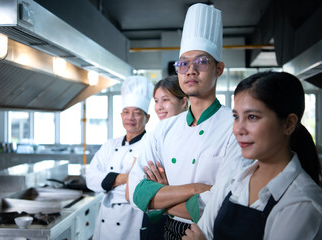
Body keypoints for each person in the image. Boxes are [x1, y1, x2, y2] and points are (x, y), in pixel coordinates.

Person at [128, 3, 249, 239]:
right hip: (166, 231)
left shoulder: (236, 127)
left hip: (209, 233)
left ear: (219, 68)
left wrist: (161, 196)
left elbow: (224, 204)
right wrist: (195, 190)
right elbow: (135, 191)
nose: (191, 70)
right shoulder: (164, 129)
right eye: (183, 63)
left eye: (202, 62)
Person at [183, 71, 322, 240]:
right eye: (236, 117)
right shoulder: (235, 176)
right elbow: (202, 231)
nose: (238, 129)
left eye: (252, 117)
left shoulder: (302, 202)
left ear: (288, 124)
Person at [86, 75, 154, 240]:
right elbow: (91, 179)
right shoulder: (110, 144)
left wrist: (109, 183)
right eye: (126, 112)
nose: (130, 118)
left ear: (147, 118)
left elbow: (143, 187)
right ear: (121, 115)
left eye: (137, 113)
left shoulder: (150, 144)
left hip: (131, 219)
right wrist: (126, 178)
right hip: (105, 220)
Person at [140, 74, 188, 240]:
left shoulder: (194, 136)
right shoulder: (154, 137)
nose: (159, 107)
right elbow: (140, 189)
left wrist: (165, 190)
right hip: (155, 219)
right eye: (156, 101)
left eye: (165, 99)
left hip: (187, 224)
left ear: (184, 102)